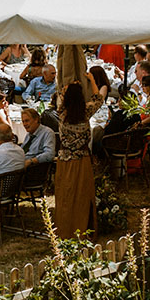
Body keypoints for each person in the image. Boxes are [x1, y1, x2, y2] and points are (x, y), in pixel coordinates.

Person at [54, 81, 105, 240]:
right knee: (82, 197)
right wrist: (91, 79)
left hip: (65, 160)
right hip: (82, 159)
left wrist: (65, 89)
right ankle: (84, 229)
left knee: (66, 197)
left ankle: (65, 231)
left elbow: (61, 96)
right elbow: (99, 99)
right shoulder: (85, 112)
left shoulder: (62, 112)